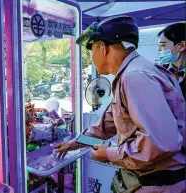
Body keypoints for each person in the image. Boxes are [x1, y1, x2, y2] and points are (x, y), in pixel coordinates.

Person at [56, 16, 185, 192]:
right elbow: (105, 127)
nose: (92, 58)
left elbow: (160, 143)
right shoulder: (131, 73)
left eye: (91, 50)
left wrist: (109, 153)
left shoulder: (135, 77)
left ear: (102, 47)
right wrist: (74, 144)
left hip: (159, 184)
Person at [157, 22, 186, 99]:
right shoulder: (158, 72)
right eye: (159, 46)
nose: (159, 49)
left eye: (163, 45)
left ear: (182, 45)